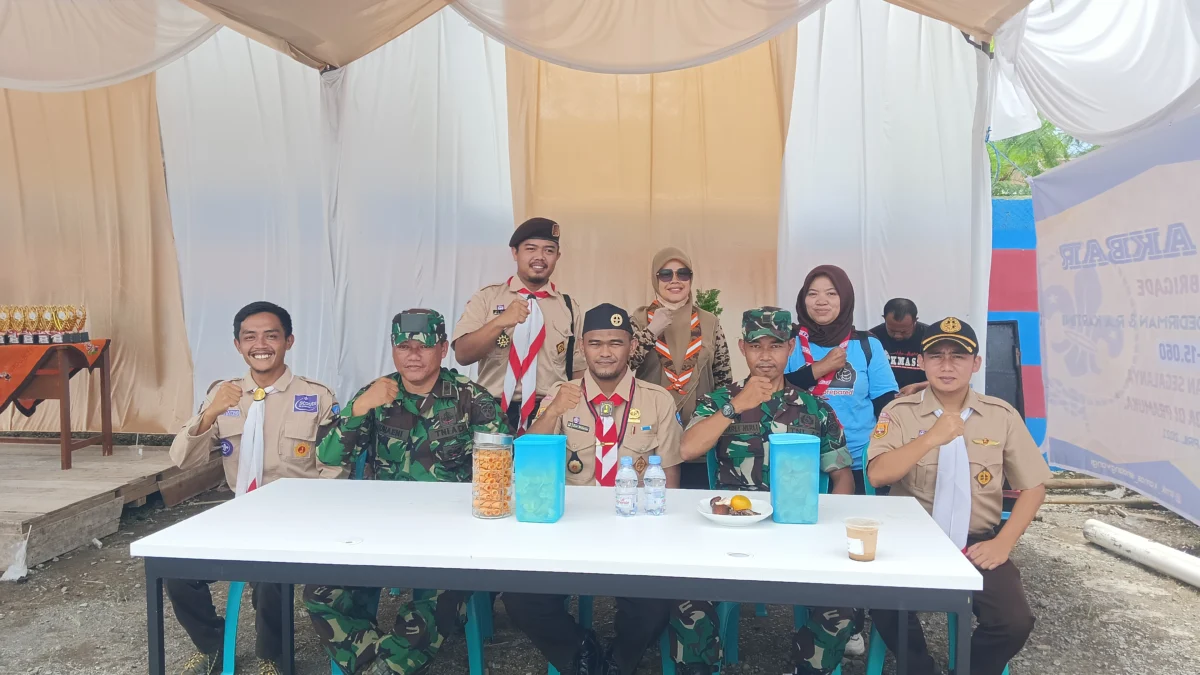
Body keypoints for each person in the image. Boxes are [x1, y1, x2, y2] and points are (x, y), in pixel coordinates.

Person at [303, 309, 508, 675]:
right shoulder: (377, 394)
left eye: (424, 347)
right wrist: (361, 406)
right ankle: (377, 666)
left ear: (443, 349)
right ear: (393, 349)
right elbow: (328, 456)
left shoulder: (470, 398)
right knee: (322, 592)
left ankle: (383, 667)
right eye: (404, 346)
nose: (413, 355)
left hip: (451, 533)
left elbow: (503, 464)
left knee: (443, 596)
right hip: (383, 529)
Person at [673, 307, 856, 675]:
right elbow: (688, 449)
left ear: (790, 348)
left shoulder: (815, 409)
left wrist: (830, 529)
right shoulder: (718, 401)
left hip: (796, 532)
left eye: (775, 345)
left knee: (848, 605)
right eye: (757, 346)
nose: (766, 355)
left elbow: (842, 476)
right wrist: (736, 406)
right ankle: (706, 664)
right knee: (682, 600)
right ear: (742, 348)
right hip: (728, 533)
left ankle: (804, 665)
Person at [867, 317, 1051, 675]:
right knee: (883, 600)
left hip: (977, 542)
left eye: (958, 356)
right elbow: (878, 474)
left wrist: (1004, 543)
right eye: (936, 356)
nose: (947, 366)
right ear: (921, 362)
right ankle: (920, 668)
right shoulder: (899, 413)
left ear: (976, 364)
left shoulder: (1001, 416)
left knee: (1014, 620)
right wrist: (931, 437)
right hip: (911, 540)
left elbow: (1034, 487)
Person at [503, 303, 679, 675]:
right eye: (596, 342)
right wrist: (552, 412)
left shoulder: (657, 400)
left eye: (615, 343)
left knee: (657, 606)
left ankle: (618, 661)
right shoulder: (560, 394)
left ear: (632, 347)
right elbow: (526, 460)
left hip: (635, 530)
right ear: (582, 347)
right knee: (519, 599)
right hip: (569, 529)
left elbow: (671, 481)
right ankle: (580, 653)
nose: (605, 352)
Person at [167, 301, 340, 675]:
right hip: (241, 512)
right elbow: (182, 458)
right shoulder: (223, 395)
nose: (260, 344)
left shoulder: (318, 397)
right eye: (250, 336)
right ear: (237, 345)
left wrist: (318, 522)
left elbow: (336, 469)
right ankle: (212, 645)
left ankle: (271, 656)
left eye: (271, 335)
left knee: (269, 573)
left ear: (288, 341)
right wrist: (210, 412)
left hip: (299, 515)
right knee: (175, 568)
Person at [452, 217, 586, 432]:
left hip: (549, 412)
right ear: (515, 253)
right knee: (493, 467)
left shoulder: (569, 308)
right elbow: (463, 354)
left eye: (549, 251)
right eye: (531, 249)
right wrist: (499, 322)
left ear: (558, 256)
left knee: (542, 467)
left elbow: (578, 370)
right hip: (491, 411)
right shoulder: (487, 298)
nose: (540, 257)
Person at [785, 265, 898, 496]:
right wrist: (819, 369)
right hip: (797, 461)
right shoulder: (789, 342)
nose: (821, 301)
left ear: (845, 298)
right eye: (812, 293)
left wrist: (882, 450)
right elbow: (774, 390)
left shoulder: (867, 344)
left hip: (858, 462)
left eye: (831, 293)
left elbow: (885, 404)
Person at [629, 247, 732, 488]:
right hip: (651, 435)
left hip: (697, 433)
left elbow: (723, 379)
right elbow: (625, 366)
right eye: (666, 274)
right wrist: (651, 332)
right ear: (655, 279)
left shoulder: (709, 321)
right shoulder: (639, 319)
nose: (675, 281)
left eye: (682, 274)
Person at [869, 298, 929, 395]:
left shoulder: (929, 337)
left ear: (915, 321)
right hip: (882, 399)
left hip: (922, 398)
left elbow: (944, 376)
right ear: (884, 318)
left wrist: (917, 387)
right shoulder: (872, 338)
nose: (897, 335)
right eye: (892, 330)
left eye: (904, 331)